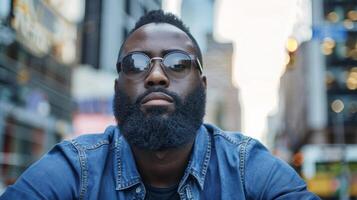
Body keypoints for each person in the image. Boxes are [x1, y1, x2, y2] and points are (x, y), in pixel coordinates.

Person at [1, 10, 320, 200]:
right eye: (136, 63)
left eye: (178, 62)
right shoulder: (75, 169)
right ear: (117, 87)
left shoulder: (247, 167)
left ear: (203, 85)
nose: (155, 75)